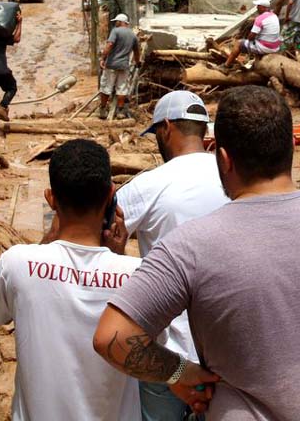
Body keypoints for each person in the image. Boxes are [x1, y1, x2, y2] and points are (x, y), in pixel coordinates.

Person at [94, 86, 300, 419]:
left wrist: (178, 372)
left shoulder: (189, 245)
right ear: (292, 147)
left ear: (223, 159)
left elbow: (112, 337)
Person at [0, 139, 142, 421]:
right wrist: (118, 257)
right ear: (110, 195)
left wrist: (46, 242)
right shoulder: (137, 275)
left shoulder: (16, 262)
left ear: (51, 198)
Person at [115, 90, 229, 420]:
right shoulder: (233, 177)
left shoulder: (148, 185)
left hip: (170, 360)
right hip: (227, 351)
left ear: (165, 128)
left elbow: (99, 231)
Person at [99, 13, 141, 120]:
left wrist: (103, 58)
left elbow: (109, 45)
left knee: (106, 87)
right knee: (122, 88)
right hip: (124, 66)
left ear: (121, 22)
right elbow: (137, 51)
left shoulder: (115, 31)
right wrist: (137, 62)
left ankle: (103, 109)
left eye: (116, 21)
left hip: (112, 64)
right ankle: (120, 111)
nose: (115, 23)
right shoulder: (132, 34)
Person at [224, 0, 281, 67]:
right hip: (275, 47)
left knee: (238, 44)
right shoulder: (274, 15)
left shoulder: (260, 19)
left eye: (258, 6)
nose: (257, 8)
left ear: (263, 7)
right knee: (258, 39)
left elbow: (251, 37)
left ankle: (226, 65)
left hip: (265, 48)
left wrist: (248, 37)